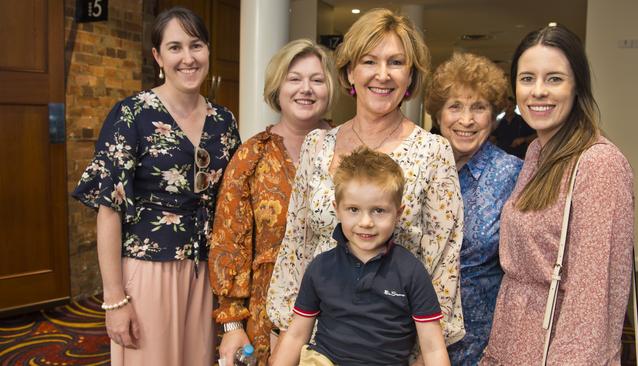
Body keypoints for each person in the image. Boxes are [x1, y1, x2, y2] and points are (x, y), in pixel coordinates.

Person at [267, 8, 465, 360]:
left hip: (390, 345)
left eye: (396, 62)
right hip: (318, 343)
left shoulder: (433, 151)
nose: (383, 75)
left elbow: (443, 259)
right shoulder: (318, 144)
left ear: (410, 76)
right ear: (349, 71)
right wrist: (285, 333)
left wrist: (425, 353)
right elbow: (297, 243)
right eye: (370, 61)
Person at [72, 7, 240, 365]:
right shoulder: (131, 114)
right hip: (148, 270)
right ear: (157, 56)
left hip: (205, 272)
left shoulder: (224, 121)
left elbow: (232, 204)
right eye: (175, 47)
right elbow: (108, 212)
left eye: (196, 46)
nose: (188, 58)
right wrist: (114, 300)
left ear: (208, 51)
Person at [481, 24, 634, 364]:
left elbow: (591, 300)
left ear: (577, 85)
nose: (538, 91)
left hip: (555, 351)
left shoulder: (599, 164)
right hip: (512, 342)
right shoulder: (537, 151)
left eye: (554, 79)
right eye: (527, 78)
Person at [209, 39, 335, 366]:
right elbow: (228, 242)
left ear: (329, 89)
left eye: (317, 80)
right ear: (277, 87)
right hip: (269, 315)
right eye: (294, 79)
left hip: (339, 310)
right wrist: (233, 324)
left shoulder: (348, 149)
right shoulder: (251, 156)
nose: (305, 89)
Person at [272, 148, 450, 366]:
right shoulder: (320, 267)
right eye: (354, 209)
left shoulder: (411, 271)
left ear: (398, 212)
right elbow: (296, 335)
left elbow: (433, 347)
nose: (366, 222)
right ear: (337, 209)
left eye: (379, 211)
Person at [424, 52, 523, 365]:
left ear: (493, 114)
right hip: (410, 336)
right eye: (455, 106)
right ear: (438, 114)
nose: (466, 120)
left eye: (478, 108)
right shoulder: (417, 167)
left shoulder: (513, 175)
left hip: (480, 344)